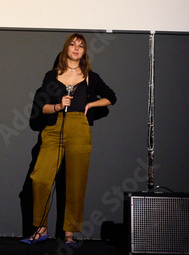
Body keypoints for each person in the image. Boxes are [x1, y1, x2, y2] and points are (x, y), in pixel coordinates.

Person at [21, 33, 117, 247]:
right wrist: (57, 105)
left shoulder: (90, 76)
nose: (76, 48)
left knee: (75, 182)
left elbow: (112, 97)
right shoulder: (52, 76)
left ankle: (69, 233)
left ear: (84, 52)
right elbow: (41, 107)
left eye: (80, 46)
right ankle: (41, 228)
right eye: (72, 44)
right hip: (54, 129)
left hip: (79, 129)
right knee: (40, 178)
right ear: (66, 49)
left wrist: (90, 105)